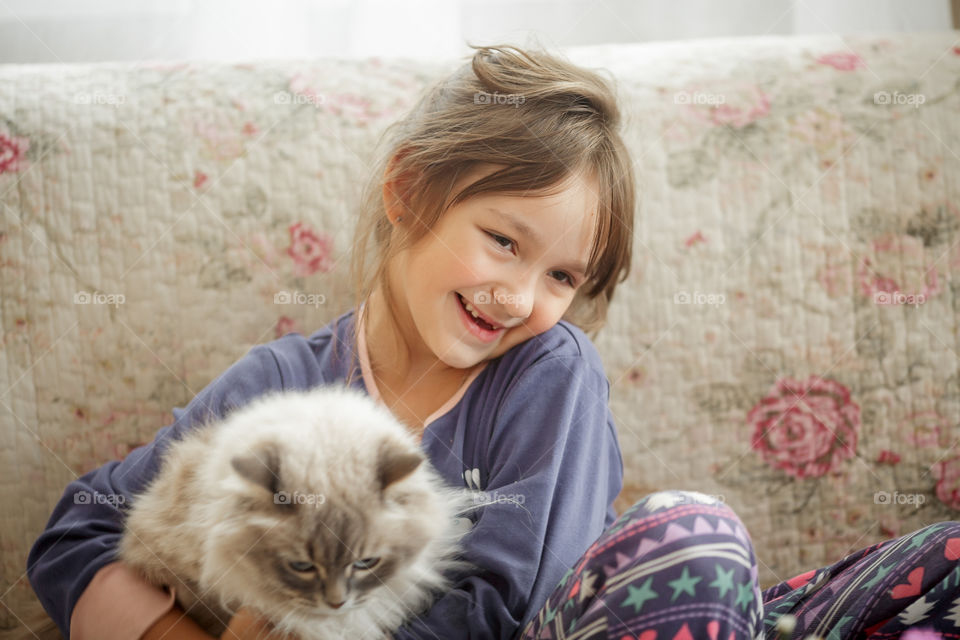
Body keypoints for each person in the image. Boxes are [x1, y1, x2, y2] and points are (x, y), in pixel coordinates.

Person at [25, 43, 960, 640]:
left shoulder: (547, 375)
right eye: (503, 241)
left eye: (563, 278)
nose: (520, 297)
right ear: (407, 192)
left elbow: (507, 608)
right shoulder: (280, 384)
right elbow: (78, 533)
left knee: (699, 536)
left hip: (645, 615)